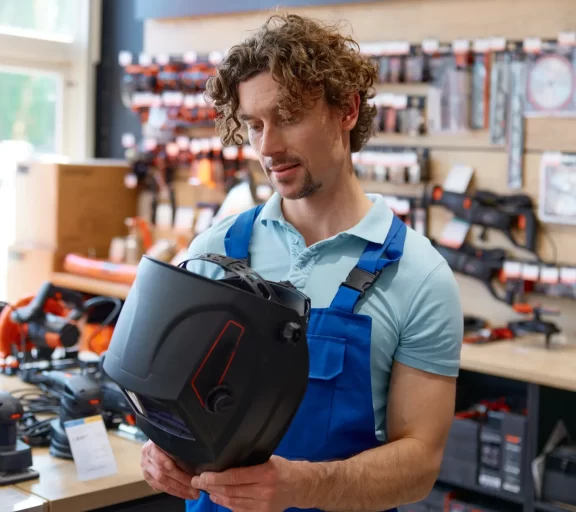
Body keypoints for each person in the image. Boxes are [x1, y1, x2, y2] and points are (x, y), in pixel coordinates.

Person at [139, 12, 464, 512]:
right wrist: (161, 451)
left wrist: (305, 486)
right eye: (254, 125)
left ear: (347, 111)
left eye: (287, 116)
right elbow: (174, 406)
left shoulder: (419, 275)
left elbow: (419, 465)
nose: (267, 147)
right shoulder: (213, 252)